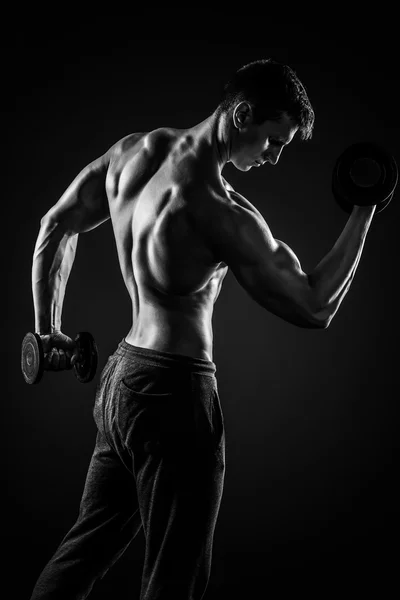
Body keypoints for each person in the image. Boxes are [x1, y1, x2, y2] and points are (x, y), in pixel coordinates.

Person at [29, 59, 376, 599]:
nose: (274, 157)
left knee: (81, 555)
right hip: (176, 398)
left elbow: (55, 226)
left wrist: (47, 331)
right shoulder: (218, 209)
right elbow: (314, 306)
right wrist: (365, 207)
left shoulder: (132, 153)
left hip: (122, 383)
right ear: (242, 114)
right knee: (176, 580)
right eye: (273, 141)